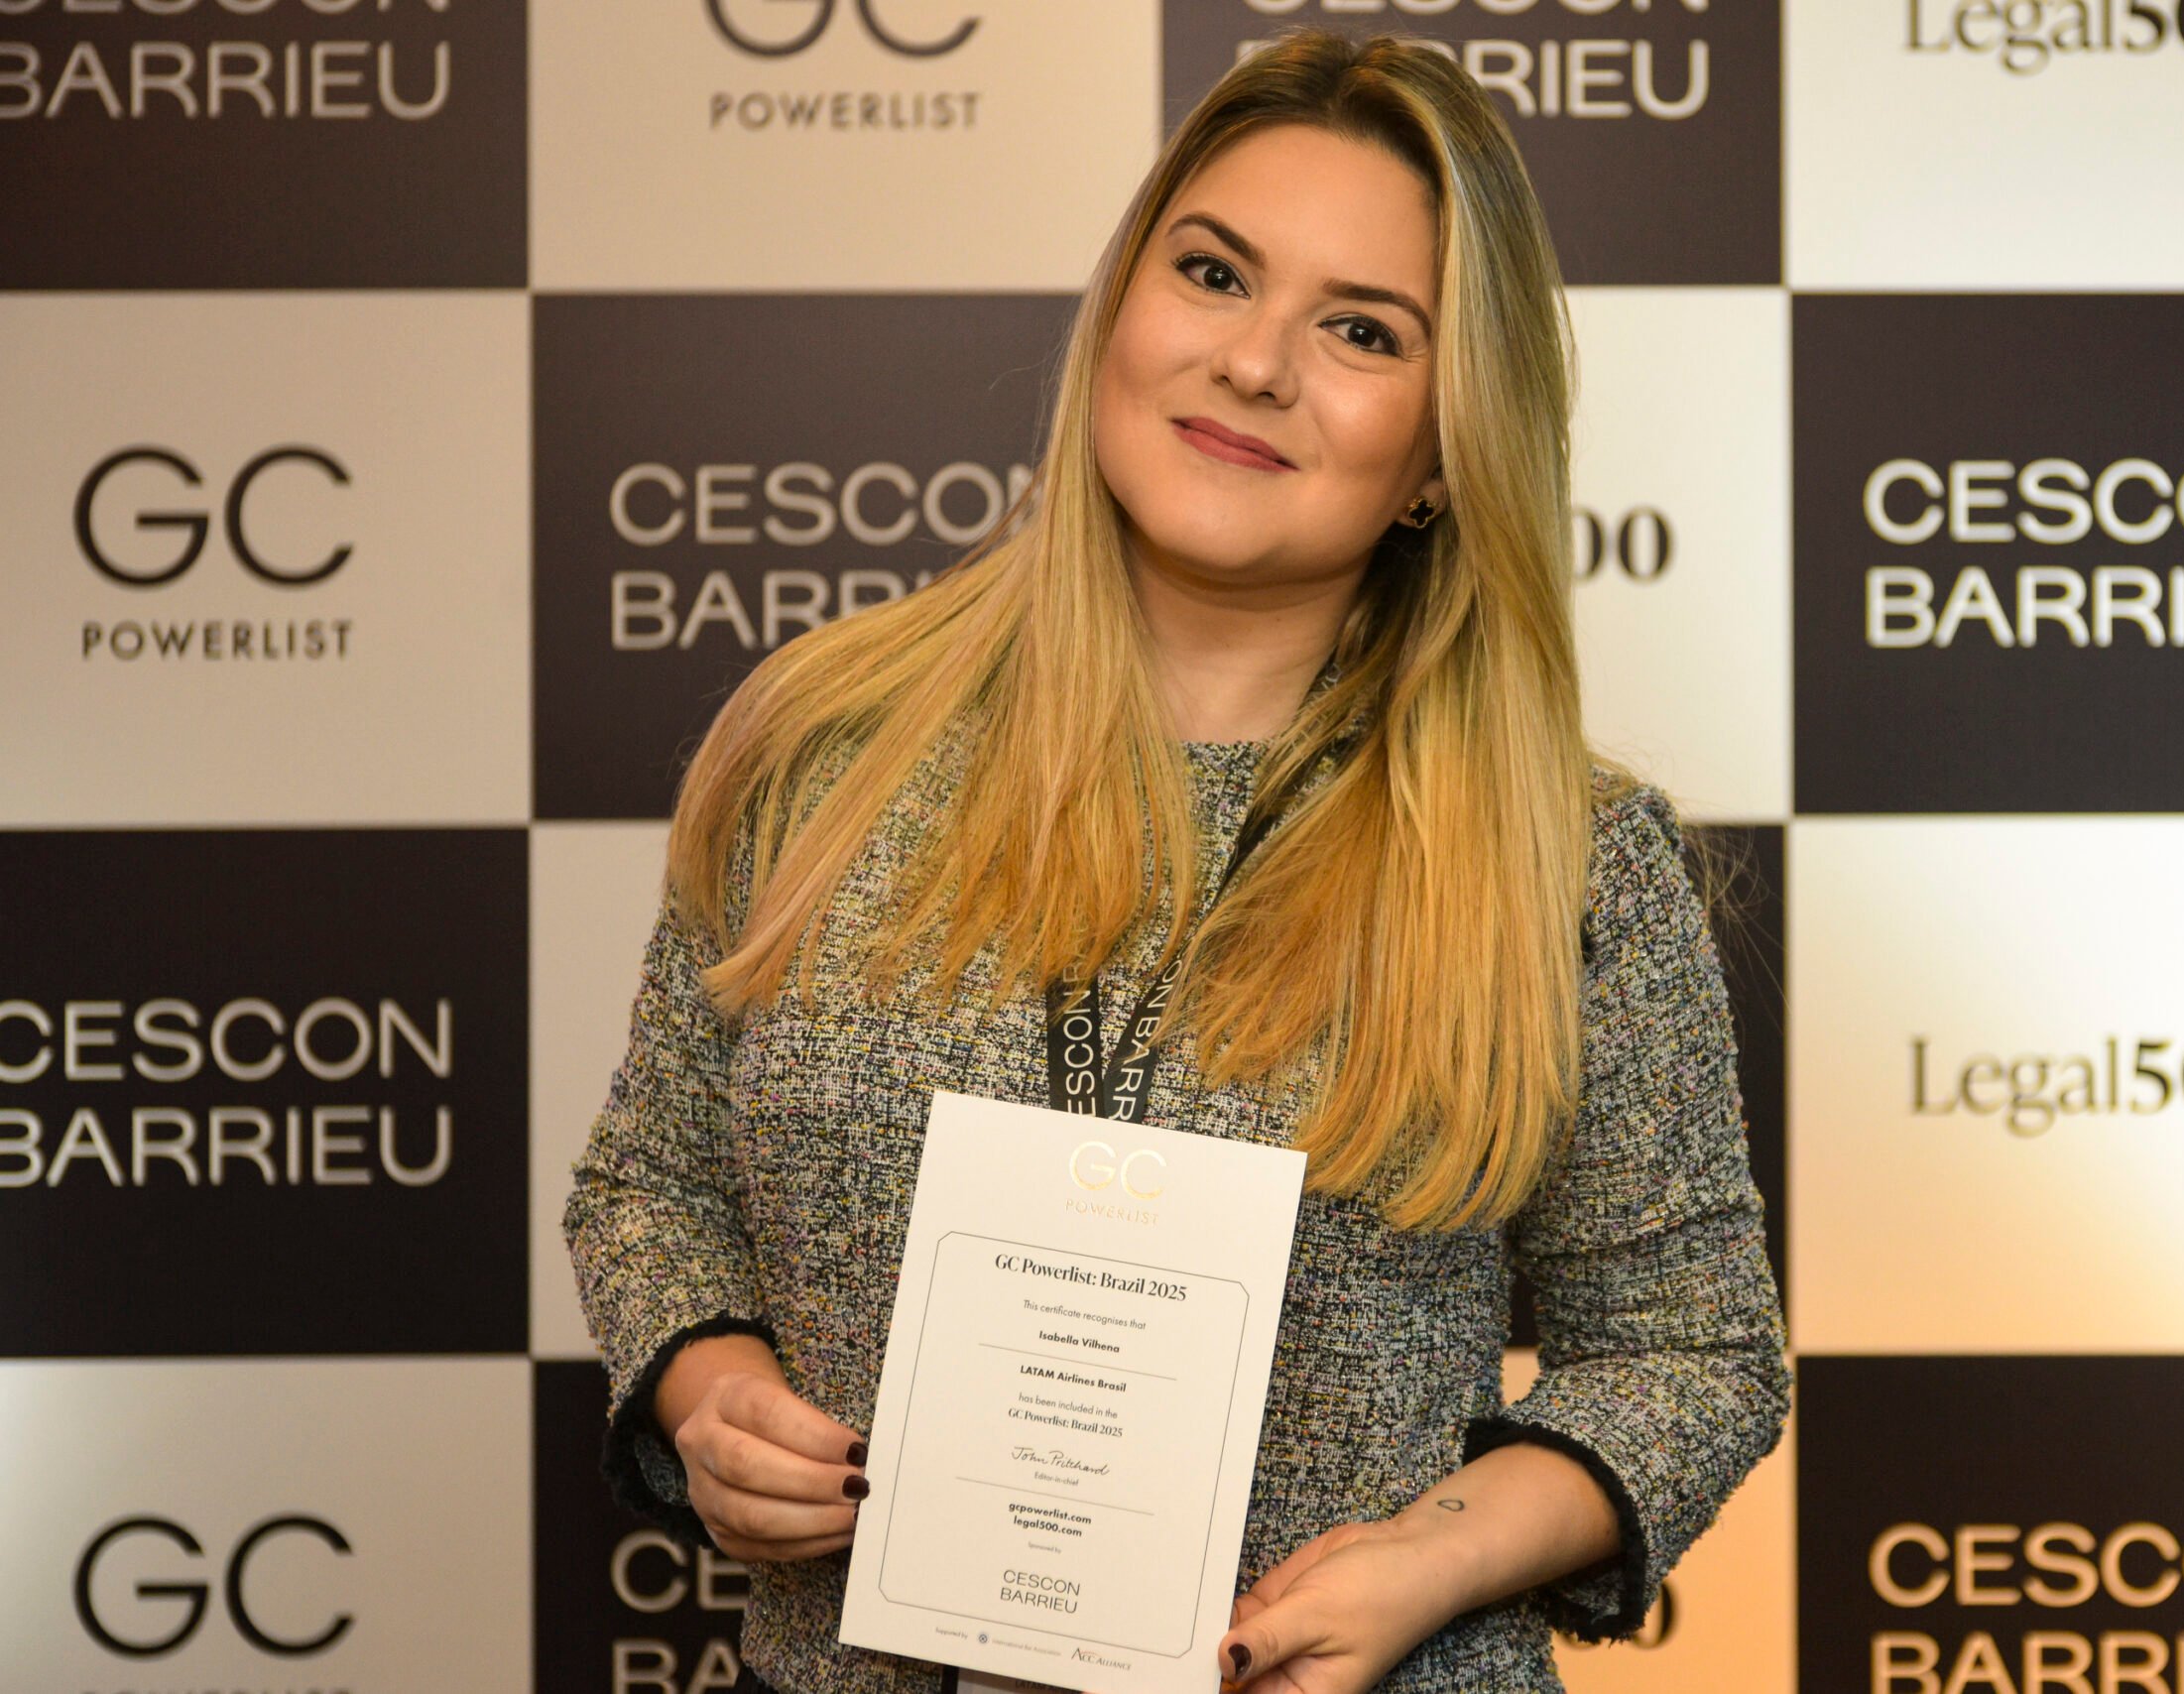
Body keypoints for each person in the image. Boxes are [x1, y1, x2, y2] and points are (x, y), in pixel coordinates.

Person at [563, 27, 1788, 1694]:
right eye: (1215, 274)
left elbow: (1693, 1350)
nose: (1257, 363)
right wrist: (710, 1392)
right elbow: (652, 1183)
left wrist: (1431, 1560)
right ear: (1120, 311)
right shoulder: (825, 748)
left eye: (1362, 330)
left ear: (1445, 452)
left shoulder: (1562, 857)